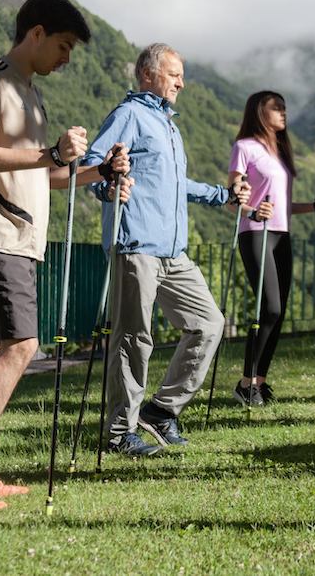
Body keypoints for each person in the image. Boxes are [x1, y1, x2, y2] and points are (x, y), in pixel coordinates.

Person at [0, 0, 130, 511]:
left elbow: (46, 175)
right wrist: (48, 153)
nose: (67, 58)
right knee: (23, 345)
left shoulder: (33, 95)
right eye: (65, 46)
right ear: (38, 33)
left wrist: (97, 174)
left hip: (19, 238)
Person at [83, 43, 251, 457]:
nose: (181, 81)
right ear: (147, 75)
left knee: (208, 323)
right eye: (174, 73)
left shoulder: (168, 125)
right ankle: (120, 433)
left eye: (181, 74)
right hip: (134, 243)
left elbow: (177, 184)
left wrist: (222, 195)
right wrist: (108, 188)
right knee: (133, 339)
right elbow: (92, 163)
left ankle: (161, 411)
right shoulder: (129, 116)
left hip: (173, 252)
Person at [227, 91, 315, 407]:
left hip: (281, 234)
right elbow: (234, 196)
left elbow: (282, 205)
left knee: (278, 312)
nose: (283, 111)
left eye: (285, 106)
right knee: (269, 309)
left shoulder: (279, 153)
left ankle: (259, 382)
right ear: (259, 111)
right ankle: (245, 384)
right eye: (276, 106)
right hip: (255, 233)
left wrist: (314, 207)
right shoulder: (243, 147)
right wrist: (249, 209)